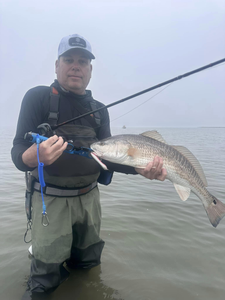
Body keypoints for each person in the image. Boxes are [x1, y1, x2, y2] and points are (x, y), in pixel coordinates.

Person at [11, 34, 167, 299]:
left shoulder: (99, 110)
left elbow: (107, 159)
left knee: (88, 265)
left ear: (90, 70)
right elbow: (17, 152)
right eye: (69, 60)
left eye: (83, 61)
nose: (76, 66)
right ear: (57, 66)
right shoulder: (37, 98)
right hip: (51, 201)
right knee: (44, 279)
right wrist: (33, 155)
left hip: (90, 200)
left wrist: (141, 169)